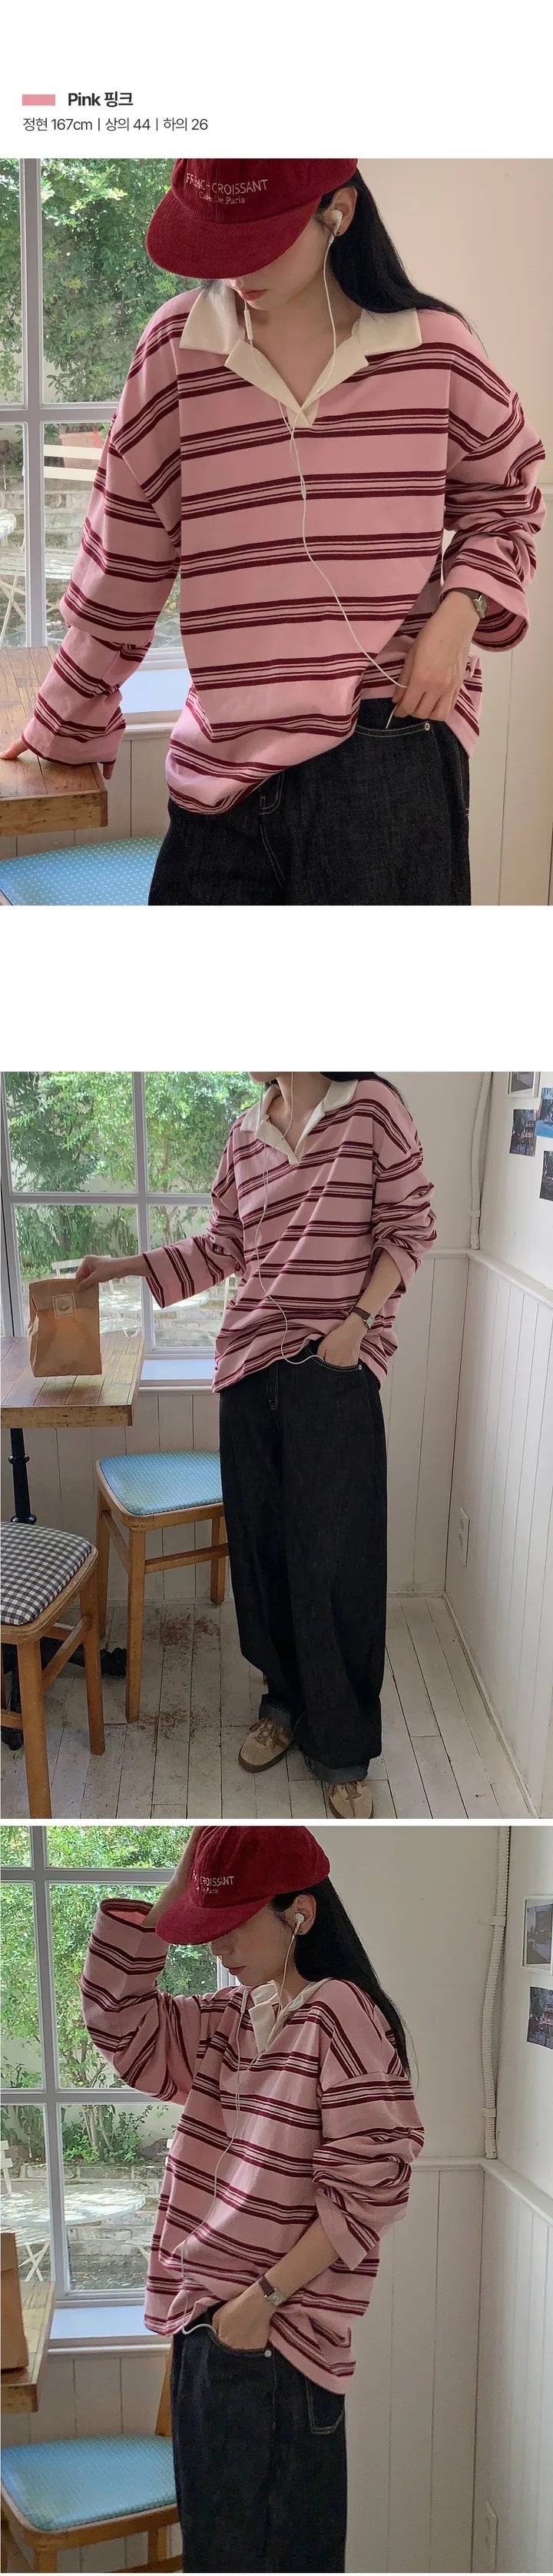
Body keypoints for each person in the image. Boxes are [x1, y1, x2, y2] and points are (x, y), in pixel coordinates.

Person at [2, 160, 545, 906]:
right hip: (223, 756)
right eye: (217, 242)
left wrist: (460, 614)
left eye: (260, 240)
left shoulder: (434, 349)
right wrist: (66, 716)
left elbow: (509, 497)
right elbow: (125, 556)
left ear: (338, 212)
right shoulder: (178, 348)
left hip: (389, 739)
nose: (236, 269)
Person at [75, 1070, 436, 1816]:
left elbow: (410, 1230)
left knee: (337, 1564)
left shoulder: (371, 1109)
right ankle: (282, 1703)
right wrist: (121, 1269)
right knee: (264, 1557)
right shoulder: (245, 1131)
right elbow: (224, 1247)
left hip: (333, 1368)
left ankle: (342, 1746)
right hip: (248, 1370)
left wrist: (356, 1326)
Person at [81, 1823, 424, 2574]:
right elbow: (120, 2023)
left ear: (300, 1913)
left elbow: (371, 2188)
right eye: (211, 1925)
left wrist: (258, 2303)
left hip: (275, 2344)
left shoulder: (339, 2013)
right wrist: (178, 1894)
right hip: (211, 2336)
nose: (219, 1945)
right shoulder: (231, 2018)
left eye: (234, 1922)